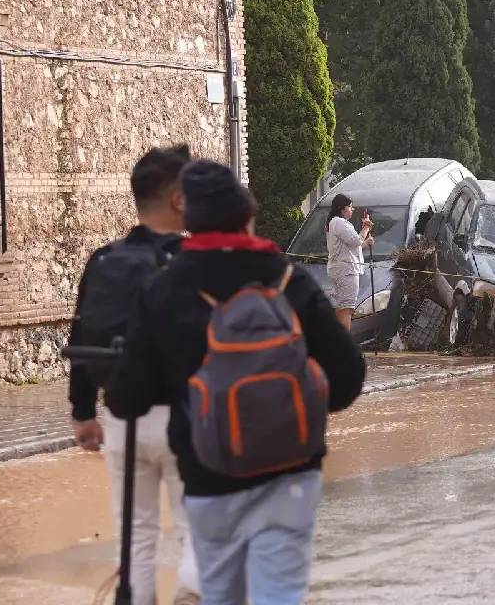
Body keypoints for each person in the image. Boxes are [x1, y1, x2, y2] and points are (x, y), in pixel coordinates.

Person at [105, 159, 367, 604]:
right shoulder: (290, 282)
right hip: (291, 476)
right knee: (277, 595)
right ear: (248, 215)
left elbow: (127, 398)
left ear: (189, 220)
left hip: (208, 476)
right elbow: (348, 379)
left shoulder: (162, 290)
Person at [67, 144, 200, 605]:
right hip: (188, 418)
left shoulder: (104, 259)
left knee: (136, 542)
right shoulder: (197, 261)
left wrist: (83, 412)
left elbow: (81, 333)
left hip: (123, 420)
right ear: (179, 200)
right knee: (195, 534)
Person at [325, 193, 373, 331]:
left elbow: (352, 246)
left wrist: (366, 243)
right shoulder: (340, 222)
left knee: (341, 308)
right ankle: (344, 345)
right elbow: (356, 240)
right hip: (346, 271)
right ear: (342, 208)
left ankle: (337, 342)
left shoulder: (334, 223)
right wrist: (366, 228)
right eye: (350, 207)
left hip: (340, 268)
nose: (352, 210)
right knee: (347, 309)